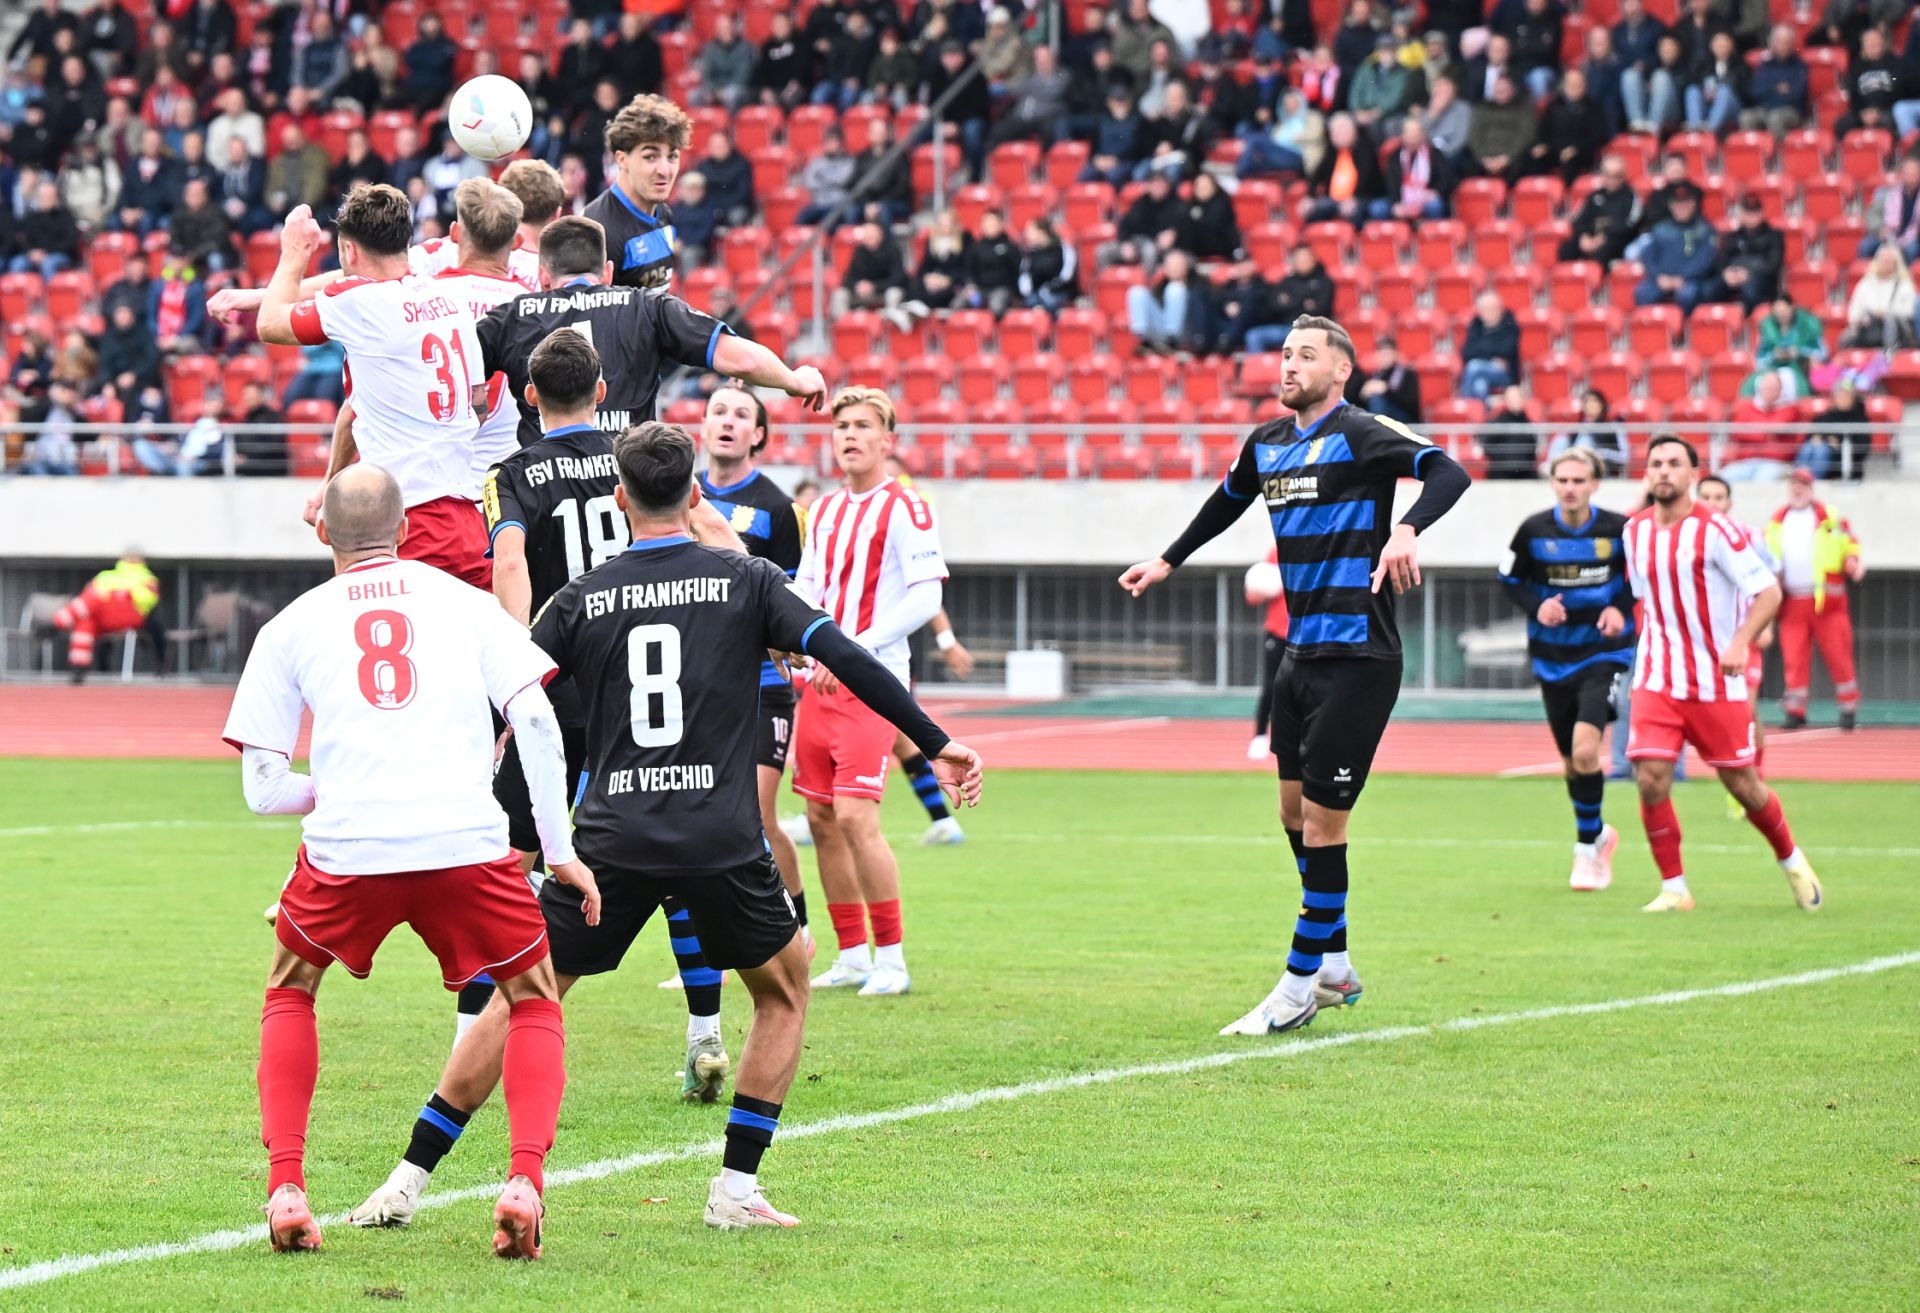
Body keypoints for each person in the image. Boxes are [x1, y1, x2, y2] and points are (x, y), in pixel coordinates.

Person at [359, 422, 981, 1233]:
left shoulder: (579, 599)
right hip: (719, 836)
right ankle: (734, 1189)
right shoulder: (749, 580)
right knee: (784, 990)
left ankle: (406, 1180)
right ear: (694, 495)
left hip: (611, 838)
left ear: (621, 498)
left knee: (523, 996)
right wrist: (935, 740)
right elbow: (847, 654)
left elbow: (501, 700)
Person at [224, 463, 599, 1258]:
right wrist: (559, 848)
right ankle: (524, 1180)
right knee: (533, 996)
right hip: (464, 839)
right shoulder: (465, 603)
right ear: (403, 530)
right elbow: (536, 719)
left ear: (323, 531)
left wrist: (337, 787)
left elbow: (262, 788)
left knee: (291, 985)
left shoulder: (289, 624)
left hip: (350, 846)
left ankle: (286, 1186)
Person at [1120, 316, 1472, 1034]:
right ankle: (1335, 961)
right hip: (1299, 654)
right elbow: (1228, 500)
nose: (1288, 365)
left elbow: (1449, 471)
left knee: (1322, 824)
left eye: (1306, 355)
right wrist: (1167, 559)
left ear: (1341, 370)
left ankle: (1297, 986)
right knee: (1291, 814)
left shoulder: (1362, 431)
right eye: (1285, 354)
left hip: (1358, 657)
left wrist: (1406, 529)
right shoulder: (1268, 442)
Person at [253, 185, 491, 589]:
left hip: (406, 520)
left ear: (348, 251)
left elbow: (269, 323)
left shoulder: (358, 300)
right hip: (470, 516)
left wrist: (294, 251)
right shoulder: (448, 297)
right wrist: (331, 480)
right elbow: (476, 404)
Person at [793, 389, 951, 998]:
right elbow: (808, 583)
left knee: (858, 817)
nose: (850, 435)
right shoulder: (826, 509)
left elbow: (926, 596)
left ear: (888, 440)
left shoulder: (907, 507)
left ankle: (893, 959)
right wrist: (797, 637)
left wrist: (850, 649)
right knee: (821, 818)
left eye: (863, 425)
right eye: (842, 425)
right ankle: (853, 955)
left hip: (874, 682)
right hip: (818, 681)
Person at [1625, 435, 1823, 914]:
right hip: (1656, 677)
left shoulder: (1717, 531)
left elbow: (1768, 592)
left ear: (1693, 474)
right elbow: (1644, 598)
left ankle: (1791, 859)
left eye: (1674, 463)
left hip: (1715, 681)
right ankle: (1675, 888)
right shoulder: (1635, 531)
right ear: (1646, 473)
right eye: (1656, 463)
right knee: (1650, 778)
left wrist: (1740, 642)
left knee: (1743, 785)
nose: (1664, 471)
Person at [474, 215, 828, 451]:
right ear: (608, 272)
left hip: (543, 489)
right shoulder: (646, 306)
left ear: (543, 277)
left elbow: (457, 370)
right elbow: (738, 358)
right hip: (628, 485)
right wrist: (792, 379)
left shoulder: (513, 317)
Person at [1498, 448, 1635, 890]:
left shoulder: (1619, 530)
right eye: (1563, 480)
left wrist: (1618, 608)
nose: (1570, 488)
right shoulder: (1533, 531)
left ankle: (1585, 852)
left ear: (1595, 484)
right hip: (1552, 658)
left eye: (1579, 480)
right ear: (1552, 483)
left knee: (1585, 751)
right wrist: (1538, 606)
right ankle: (1599, 834)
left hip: (1604, 654)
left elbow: (1640, 577)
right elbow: (1509, 579)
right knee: (1572, 764)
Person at [1694, 474, 1778, 818]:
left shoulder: (1749, 536)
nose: (1712, 503)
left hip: (1743, 639)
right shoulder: (1684, 536)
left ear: (1729, 503)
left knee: (1747, 710)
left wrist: (1766, 624)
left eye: (1719, 497)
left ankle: (1751, 787)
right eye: (1706, 497)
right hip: (1702, 643)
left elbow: (1770, 581)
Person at [1766, 468, 1865, 730]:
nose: (1797, 489)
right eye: (1793, 484)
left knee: (1838, 654)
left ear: (1811, 488)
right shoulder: (1777, 521)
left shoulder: (1829, 517)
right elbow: (1767, 554)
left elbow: (1849, 543)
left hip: (1826, 601)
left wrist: (1852, 561)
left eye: (1802, 484)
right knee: (1794, 657)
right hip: (1791, 601)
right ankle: (1795, 709)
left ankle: (1848, 708)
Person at [583, 94, 688, 290]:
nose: (664, 170)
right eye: (650, 157)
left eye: (672, 156)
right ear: (622, 159)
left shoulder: (665, 215)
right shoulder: (596, 231)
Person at [51, 553, 160, 683]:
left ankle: (57, 623)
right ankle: (79, 667)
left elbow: (150, 600)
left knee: (93, 601)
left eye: (135, 556)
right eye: (129, 555)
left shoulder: (147, 578)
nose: (132, 559)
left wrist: (120, 595)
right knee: (85, 622)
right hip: (103, 617)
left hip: (130, 616)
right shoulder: (107, 575)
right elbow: (89, 590)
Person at [1244, 545, 1291, 760]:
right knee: (1271, 685)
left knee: (1307, 686)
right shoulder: (1278, 551)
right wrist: (1258, 590)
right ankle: (1260, 736)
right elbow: (1253, 595)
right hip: (1278, 631)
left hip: (1308, 632)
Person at [1840, 242, 1917, 348]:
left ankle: (1888, 353)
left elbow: (1910, 311)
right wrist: (1862, 319)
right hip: (1868, 327)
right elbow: (1854, 311)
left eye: (1889, 262)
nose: (1886, 265)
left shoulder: (1904, 285)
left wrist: (1887, 313)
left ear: (1896, 264)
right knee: (1846, 337)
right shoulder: (1866, 284)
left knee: (1890, 324)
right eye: (1884, 261)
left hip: (1895, 330)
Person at [1797, 375, 1871, 479]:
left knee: (1822, 450)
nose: (1843, 398)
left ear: (1853, 397)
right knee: (1809, 447)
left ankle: (1811, 481)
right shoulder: (1825, 416)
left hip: (1844, 464)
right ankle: (1799, 479)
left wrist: (1838, 444)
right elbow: (1811, 435)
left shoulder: (1860, 419)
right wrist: (1818, 438)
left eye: (1847, 395)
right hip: (1820, 455)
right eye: (1840, 395)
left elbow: (1861, 449)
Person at [1544, 388, 1629, 475]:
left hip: (1599, 469)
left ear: (1602, 405)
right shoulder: (1577, 428)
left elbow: (1623, 457)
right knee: (1561, 439)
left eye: (1594, 401)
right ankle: (1552, 468)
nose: (1590, 405)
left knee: (1586, 441)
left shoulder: (1612, 427)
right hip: (1574, 462)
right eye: (1586, 402)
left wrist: (1600, 453)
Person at [1460, 291, 1521, 402]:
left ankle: (1466, 405)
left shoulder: (1510, 325)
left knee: (1474, 366)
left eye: (1493, 308)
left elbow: (1507, 350)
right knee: (1480, 385)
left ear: (1500, 309)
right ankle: (1483, 411)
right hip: (1485, 369)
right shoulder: (1475, 326)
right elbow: (1467, 353)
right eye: (1486, 309)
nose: (1490, 312)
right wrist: (1491, 356)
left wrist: (1481, 351)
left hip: (1505, 374)